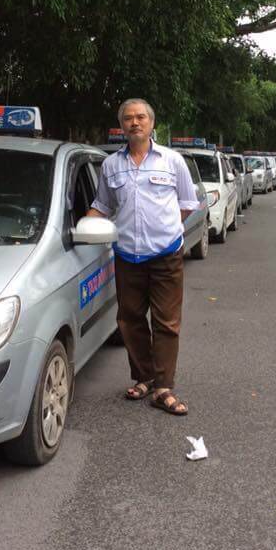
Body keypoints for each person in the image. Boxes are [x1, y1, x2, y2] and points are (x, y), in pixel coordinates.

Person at [88, 98, 199, 416]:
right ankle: (144, 377)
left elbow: (188, 203)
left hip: (166, 254)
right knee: (129, 320)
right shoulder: (111, 165)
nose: (134, 122)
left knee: (166, 321)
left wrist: (164, 230)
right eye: (127, 118)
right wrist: (83, 226)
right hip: (126, 255)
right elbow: (104, 205)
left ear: (151, 123)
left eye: (140, 117)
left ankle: (164, 387)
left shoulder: (172, 160)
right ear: (121, 125)